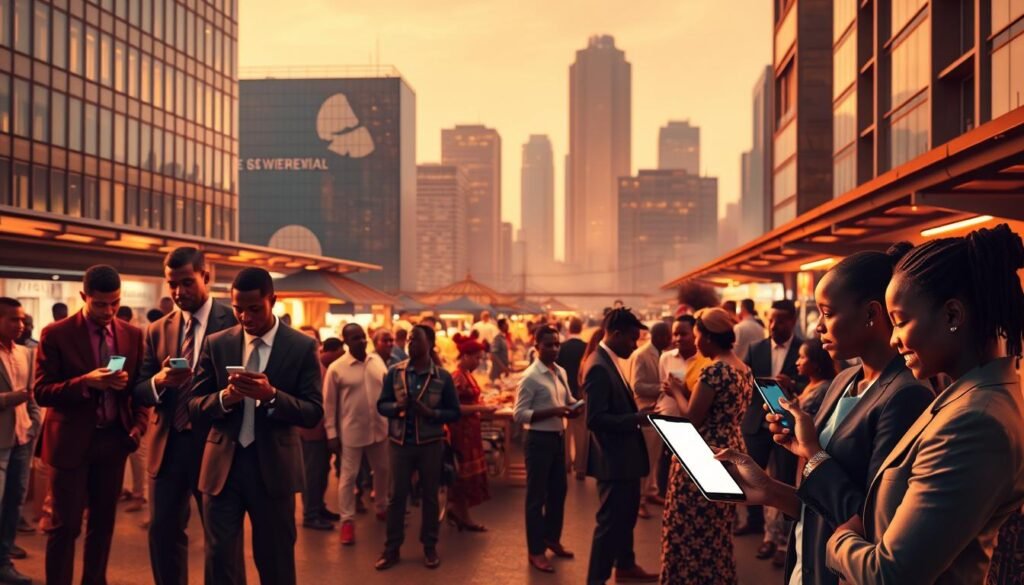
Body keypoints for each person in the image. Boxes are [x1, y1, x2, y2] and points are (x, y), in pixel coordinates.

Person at [716, 245, 934, 585]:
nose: (818, 327)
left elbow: (869, 521)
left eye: (827, 313)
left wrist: (812, 451)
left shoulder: (906, 397)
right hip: (809, 565)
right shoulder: (844, 380)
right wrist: (770, 490)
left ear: (871, 314)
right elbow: (821, 504)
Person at [820, 223, 1024, 583]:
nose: (895, 339)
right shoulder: (966, 397)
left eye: (900, 321)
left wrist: (838, 542)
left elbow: (892, 572)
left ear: (952, 316)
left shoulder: (975, 421)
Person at [188, 267, 323, 585]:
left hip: (273, 470)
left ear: (272, 300)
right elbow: (194, 406)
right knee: (220, 560)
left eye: (253, 308)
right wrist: (225, 397)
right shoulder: (217, 343)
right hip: (223, 469)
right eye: (238, 309)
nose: (245, 317)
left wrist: (272, 396)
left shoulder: (301, 346)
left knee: (275, 561)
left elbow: (313, 412)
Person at [132, 247, 242, 585]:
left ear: (206, 277)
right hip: (169, 444)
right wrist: (159, 381)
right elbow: (138, 389)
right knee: (163, 533)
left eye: (187, 282)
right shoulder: (157, 330)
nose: (179, 292)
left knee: (221, 541)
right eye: (172, 284)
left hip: (216, 445)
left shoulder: (235, 323)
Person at [34, 265, 148, 585]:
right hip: (69, 442)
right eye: (100, 304)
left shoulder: (132, 334)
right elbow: (41, 392)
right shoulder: (56, 333)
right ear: (84, 297)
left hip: (112, 441)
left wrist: (138, 426)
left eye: (115, 302)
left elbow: (138, 390)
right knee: (65, 526)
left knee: (103, 524)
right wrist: (86, 382)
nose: (109, 311)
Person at [660, 308, 751, 584]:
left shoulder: (714, 371)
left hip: (702, 454)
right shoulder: (743, 368)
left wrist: (676, 390)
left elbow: (692, 418)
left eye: (698, 336)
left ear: (709, 338)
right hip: (731, 450)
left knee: (685, 528)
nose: (696, 343)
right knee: (717, 530)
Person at [375, 325, 461, 571]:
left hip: (430, 445)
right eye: (410, 339)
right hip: (400, 444)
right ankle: (391, 549)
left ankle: (429, 547)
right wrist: (396, 408)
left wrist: (431, 413)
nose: (410, 343)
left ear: (430, 343)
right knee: (396, 498)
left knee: (430, 497)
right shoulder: (394, 373)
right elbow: (381, 405)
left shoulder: (442, 377)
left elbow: (454, 413)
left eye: (416, 339)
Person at [584, 307, 658, 585]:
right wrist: (636, 418)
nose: (634, 345)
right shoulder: (599, 367)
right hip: (613, 460)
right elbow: (595, 419)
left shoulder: (608, 360)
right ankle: (596, 579)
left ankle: (625, 564)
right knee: (610, 525)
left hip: (622, 459)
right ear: (615, 334)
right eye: (632, 339)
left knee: (625, 518)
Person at [736, 299, 802, 562]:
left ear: (792, 321)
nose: (774, 325)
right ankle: (754, 521)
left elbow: (816, 379)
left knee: (784, 479)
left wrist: (792, 383)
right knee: (751, 474)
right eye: (771, 320)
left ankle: (783, 538)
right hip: (756, 423)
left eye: (781, 320)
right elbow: (744, 381)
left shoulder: (804, 348)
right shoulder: (756, 348)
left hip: (788, 427)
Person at [514, 325, 579, 573]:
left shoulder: (559, 371)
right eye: (548, 345)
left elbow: (568, 400)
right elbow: (519, 415)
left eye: (556, 344)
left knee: (558, 492)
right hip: (538, 441)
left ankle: (552, 538)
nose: (554, 349)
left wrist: (576, 406)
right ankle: (536, 551)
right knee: (536, 497)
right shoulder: (530, 377)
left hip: (557, 439)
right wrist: (554, 411)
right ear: (536, 346)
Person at [324, 324, 390, 546]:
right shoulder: (336, 368)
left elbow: (386, 391)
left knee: (382, 470)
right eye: (355, 338)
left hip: (380, 429)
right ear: (345, 342)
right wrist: (331, 433)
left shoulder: (377, 361)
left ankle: (381, 507)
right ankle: (347, 521)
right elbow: (329, 404)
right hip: (351, 431)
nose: (361, 341)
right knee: (348, 477)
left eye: (363, 337)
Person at [0, 299, 40, 585]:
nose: (21, 325)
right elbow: (21, 394)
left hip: (22, 440)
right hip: (0, 442)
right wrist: (13, 398)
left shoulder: (26, 353)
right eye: (14, 319)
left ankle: (4, 561)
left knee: (14, 503)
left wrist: (34, 423)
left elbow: (32, 394)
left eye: (22, 320)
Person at [656, 315, 711, 495]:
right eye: (675, 334)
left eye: (683, 334)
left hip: (695, 422)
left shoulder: (705, 361)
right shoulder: (665, 357)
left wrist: (680, 390)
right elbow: (662, 384)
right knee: (667, 463)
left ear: (695, 334)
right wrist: (668, 389)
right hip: (670, 416)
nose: (678, 338)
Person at [448, 335, 497, 532]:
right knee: (463, 474)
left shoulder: (466, 374)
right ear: (465, 356)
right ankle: (463, 514)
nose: (478, 362)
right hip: (461, 431)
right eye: (476, 358)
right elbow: (454, 407)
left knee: (469, 473)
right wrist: (481, 408)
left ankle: (458, 511)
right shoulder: (457, 376)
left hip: (470, 430)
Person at [627, 321, 671, 518]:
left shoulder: (664, 355)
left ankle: (651, 492)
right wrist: (662, 387)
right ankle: (640, 500)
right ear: (659, 336)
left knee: (655, 458)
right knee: (646, 459)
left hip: (659, 411)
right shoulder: (643, 355)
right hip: (645, 412)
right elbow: (637, 386)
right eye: (669, 336)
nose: (671, 340)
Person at [296, 326, 336, 532]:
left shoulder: (317, 365)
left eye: (313, 341)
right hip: (310, 430)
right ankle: (310, 514)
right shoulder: (301, 366)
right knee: (312, 473)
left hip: (323, 428)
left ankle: (319, 507)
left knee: (322, 470)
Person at [557, 317, 588, 481]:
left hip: (563, 393)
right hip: (581, 394)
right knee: (581, 431)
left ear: (569, 328)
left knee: (565, 429)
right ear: (581, 328)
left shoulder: (561, 348)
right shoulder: (586, 348)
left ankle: (566, 463)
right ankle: (581, 468)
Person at [795, 339, 836, 417]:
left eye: (802, 357)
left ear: (816, 362)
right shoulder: (812, 384)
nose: (797, 362)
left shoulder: (823, 390)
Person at [489, 318, 511, 383]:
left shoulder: (503, 338)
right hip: (497, 373)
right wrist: (503, 367)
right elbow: (493, 354)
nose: (508, 326)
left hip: (502, 373)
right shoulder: (498, 338)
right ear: (502, 325)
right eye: (506, 324)